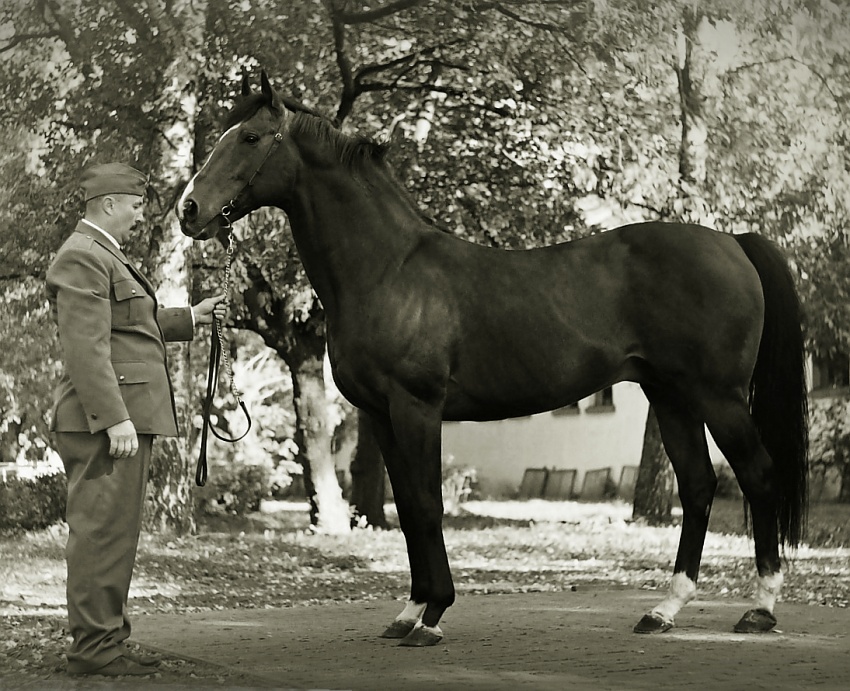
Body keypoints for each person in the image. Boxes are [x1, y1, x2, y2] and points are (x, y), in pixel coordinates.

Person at [45, 162, 225, 677]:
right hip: (102, 422)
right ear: (108, 204)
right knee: (101, 535)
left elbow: (126, 325)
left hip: (115, 419)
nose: (140, 214)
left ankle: (108, 641)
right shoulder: (83, 256)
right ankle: (94, 650)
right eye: (135, 204)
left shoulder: (101, 254)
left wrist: (191, 317)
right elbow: (86, 347)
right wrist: (114, 418)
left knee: (115, 536)